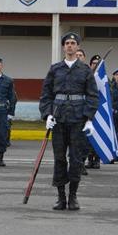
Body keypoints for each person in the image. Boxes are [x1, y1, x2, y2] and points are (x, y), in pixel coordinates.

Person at [39, 32, 99, 211]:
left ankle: (73, 196)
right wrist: (47, 115)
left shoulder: (85, 70)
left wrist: (89, 119)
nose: (70, 46)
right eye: (67, 43)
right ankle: (61, 197)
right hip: (58, 118)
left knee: (75, 159)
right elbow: (46, 94)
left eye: (73, 43)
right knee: (59, 158)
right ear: (63, 47)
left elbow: (92, 96)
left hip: (77, 119)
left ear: (78, 46)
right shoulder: (55, 69)